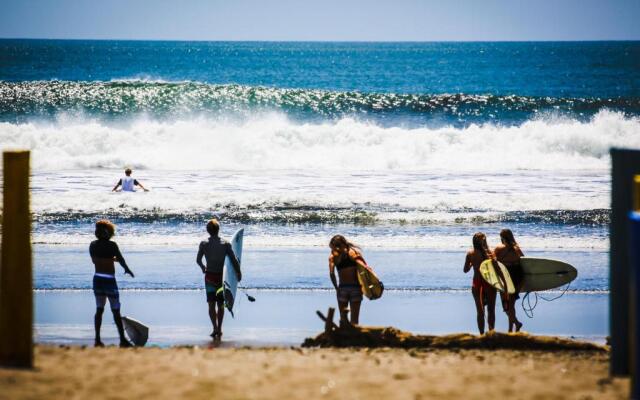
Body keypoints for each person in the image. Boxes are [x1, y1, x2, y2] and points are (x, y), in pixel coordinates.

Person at [90, 219, 135, 347]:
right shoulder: (112, 245)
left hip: (97, 279)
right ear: (107, 233)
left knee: (99, 309)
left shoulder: (92, 245)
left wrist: (110, 259)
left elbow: (96, 261)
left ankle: (97, 340)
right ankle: (122, 340)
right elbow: (121, 259)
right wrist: (127, 269)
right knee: (115, 311)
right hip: (109, 280)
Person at [196, 219, 242, 339]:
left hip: (209, 278)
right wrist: (238, 272)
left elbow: (198, 260)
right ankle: (220, 328)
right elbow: (234, 260)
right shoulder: (226, 244)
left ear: (207, 230)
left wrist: (202, 267)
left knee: (211, 305)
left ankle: (215, 328)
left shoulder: (203, 244)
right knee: (220, 305)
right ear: (218, 230)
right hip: (222, 279)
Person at [328, 235, 368, 325]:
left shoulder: (333, 257)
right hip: (356, 288)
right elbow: (365, 268)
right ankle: (354, 339)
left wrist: (336, 288)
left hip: (342, 289)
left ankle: (343, 339)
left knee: (343, 320)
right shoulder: (354, 253)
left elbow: (331, 274)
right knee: (355, 321)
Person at [463, 232, 497, 334]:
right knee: (491, 310)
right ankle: (491, 332)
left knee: (480, 312)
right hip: (489, 283)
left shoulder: (470, 254)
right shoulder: (491, 253)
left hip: (477, 284)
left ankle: (481, 334)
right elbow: (497, 269)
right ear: (484, 241)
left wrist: (472, 264)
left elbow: (465, 270)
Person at [495, 228, 525, 332]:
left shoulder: (499, 248)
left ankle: (510, 330)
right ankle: (516, 324)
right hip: (518, 275)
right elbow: (524, 261)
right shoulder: (516, 248)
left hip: (506, 276)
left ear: (502, 237)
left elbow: (493, 263)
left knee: (507, 306)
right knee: (510, 305)